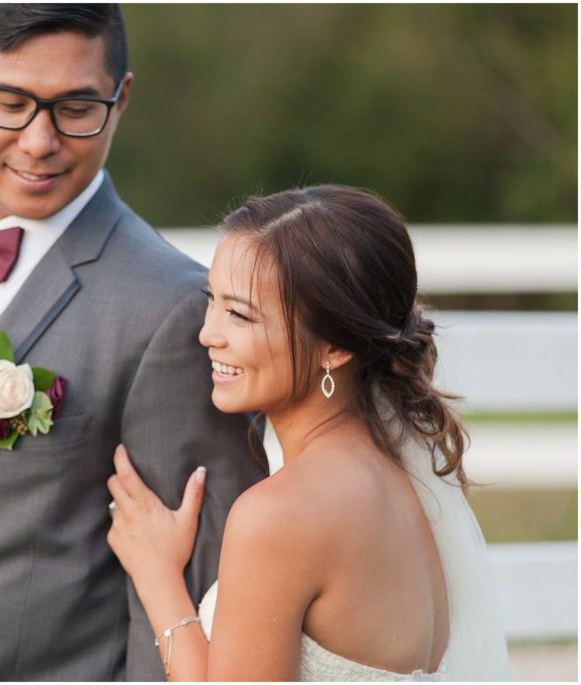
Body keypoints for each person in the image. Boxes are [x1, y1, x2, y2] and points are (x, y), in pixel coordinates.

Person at [0, 5, 265, 680]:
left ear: (121, 99)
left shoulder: (170, 307)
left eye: (76, 107)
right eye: (11, 102)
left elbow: (195, 587)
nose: (41, 140)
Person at [106, 185, 512, 681]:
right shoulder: (404, 474)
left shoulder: (280, 515)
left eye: (239, 314)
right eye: (211, 301)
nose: (207, 333)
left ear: (336, 347)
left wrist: (158, 577)